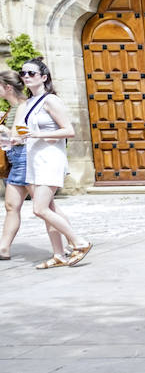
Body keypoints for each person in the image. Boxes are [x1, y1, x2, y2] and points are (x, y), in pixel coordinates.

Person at [14, 59, 93, 269]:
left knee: (39, 209)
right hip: (35, 159)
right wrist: (14, 139)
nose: (26, 76)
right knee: (48, 208)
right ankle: (58, 254)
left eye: (31, 73)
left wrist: (38, 134)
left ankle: (79, 242)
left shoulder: (51, 100)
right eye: (23, 73)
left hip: (50, 160)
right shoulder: (30, 103)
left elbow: (69, 131)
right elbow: (27, 134)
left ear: (43, 77)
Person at [0, 70, 33, 261]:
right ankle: (3, 248)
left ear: (8, 87)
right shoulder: (13, 109)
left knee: (44, 207)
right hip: (15, 160)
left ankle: (74, 242)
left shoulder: (24, 107)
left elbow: (20, 137)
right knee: (11, 205)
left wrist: (3, 130)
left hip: (25, 160)